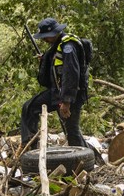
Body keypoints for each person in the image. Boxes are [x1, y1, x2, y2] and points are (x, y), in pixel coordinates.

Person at [21, 17, 88, 148]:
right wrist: (45, 59)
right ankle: (29, 147)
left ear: (54, 33)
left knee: (72, 132)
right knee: (29, 108)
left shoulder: (68, 47)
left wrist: (66, 102)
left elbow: (71, 74)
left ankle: (88, 161)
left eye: (45, 36)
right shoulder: (56, 46)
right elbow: (57, 64)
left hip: (71, 95)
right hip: (56, 93)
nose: (44, 39)